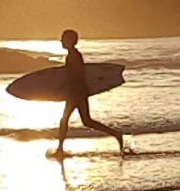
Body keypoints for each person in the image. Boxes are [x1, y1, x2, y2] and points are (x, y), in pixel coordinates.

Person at [53, 28, 130, 156]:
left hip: (76, 92)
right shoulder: (73, 54)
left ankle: (59, 149)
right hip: (78, 91)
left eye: (63, 39)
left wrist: (67, 88)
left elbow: (77, 75)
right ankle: (116, 134)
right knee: (86, 121)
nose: (61, 41)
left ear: (70, 41)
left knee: (66, 120)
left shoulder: (74, 56)